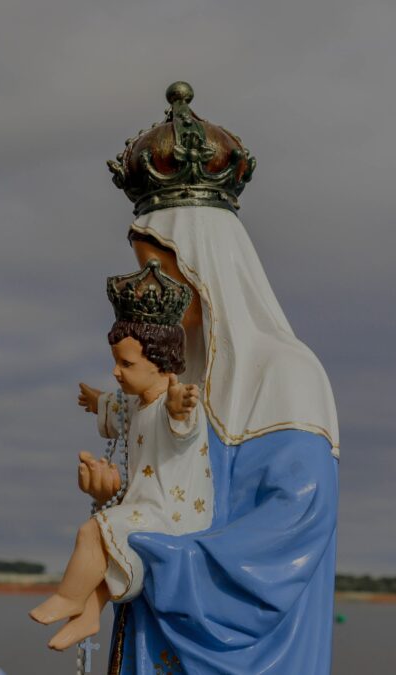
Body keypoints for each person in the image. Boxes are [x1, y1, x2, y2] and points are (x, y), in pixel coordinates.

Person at [97, 206, 340, 675]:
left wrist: (165, 558)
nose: (150, 286)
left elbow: (298, 518)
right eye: (142, 269)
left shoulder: (286, 371)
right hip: (156, 616)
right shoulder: (168, 376)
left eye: (162, 271)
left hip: (244, 642)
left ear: (206, 265)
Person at [29, 260, 208, 651]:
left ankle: (70, 597)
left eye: (126, 364)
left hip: (172, 516)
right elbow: (117, 408)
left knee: (93, 531)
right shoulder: (134, 405)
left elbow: (183, 427)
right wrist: (98, 403)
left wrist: (180, 408)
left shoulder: (169, 406)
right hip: (145, 506)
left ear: (160, 363)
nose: (116, 372)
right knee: (110, 544)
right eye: (115, 361)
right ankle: (89, 615)